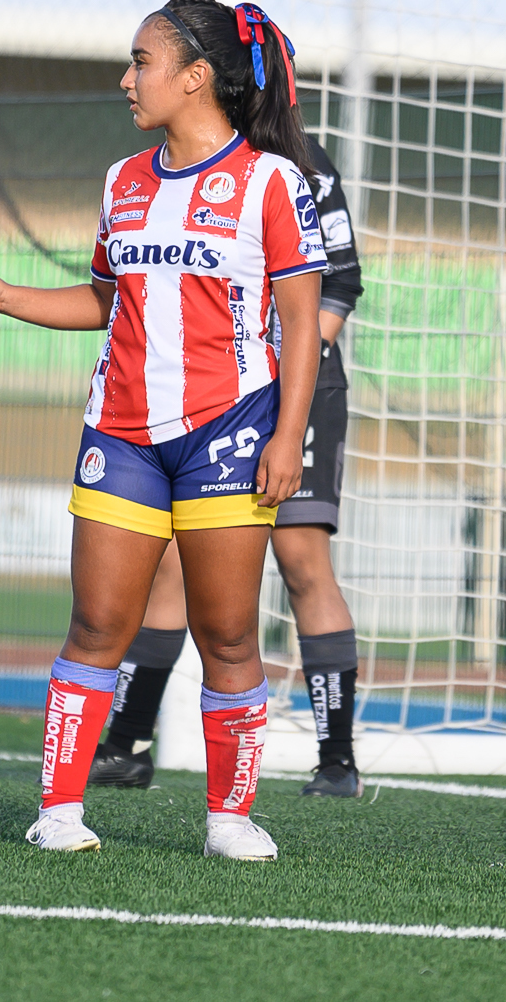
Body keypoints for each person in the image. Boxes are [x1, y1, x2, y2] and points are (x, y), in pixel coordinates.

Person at [0, 0, 326, 860]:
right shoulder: (122, 180)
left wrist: (288, 438)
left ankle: (229, 817)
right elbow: (108, 300)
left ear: (196, 77)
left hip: (231, 429)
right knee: (96, 623)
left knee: (226, 633)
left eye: (140, 61)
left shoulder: (270, 182)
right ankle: (59, 812)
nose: (126, 78)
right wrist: (9, 297)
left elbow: (301, 321)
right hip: (122, 432)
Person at [89, 130, 367, 797]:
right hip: (209, 399)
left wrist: (277, 388)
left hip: (293, 392)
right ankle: (125, 743)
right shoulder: (162, 169)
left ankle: (336, 761)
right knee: (172, 566)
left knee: (302, 559)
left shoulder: (299, 164)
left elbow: (339, 288)